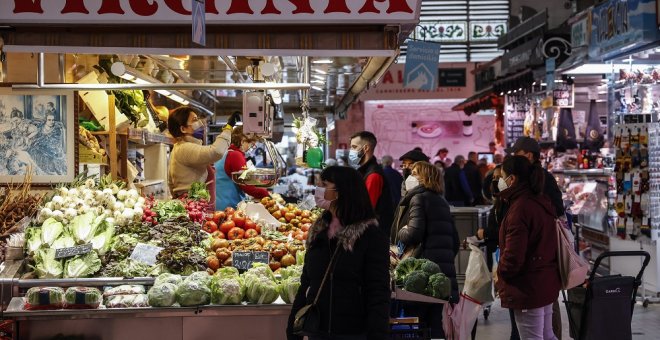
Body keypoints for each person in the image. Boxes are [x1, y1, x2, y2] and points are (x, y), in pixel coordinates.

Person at [286, 166, 390, 340]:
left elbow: (378, 291)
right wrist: (293, 326)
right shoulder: (318, 232)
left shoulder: (370, 236)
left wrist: (377, 334)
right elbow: (306, 282)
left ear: (341, 192)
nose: (318, 189)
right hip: (317, 329)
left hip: (353, 332)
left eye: (324, 184)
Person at [505, 137, 565, 339]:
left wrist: (503, 273)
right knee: (545, 332)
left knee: (536, 333)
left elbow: (515, 251)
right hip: (542, 270)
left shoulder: (525, 203)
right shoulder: (531, 199)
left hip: (530, 276)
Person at [395, 161, 459, 339]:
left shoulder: (418, 198)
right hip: (441, 273)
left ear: (426, 178)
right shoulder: (441, 201)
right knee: (435, 322)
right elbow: (455, 240)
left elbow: (414, 234)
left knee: (418, 322)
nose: (410, 177)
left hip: (421, 273)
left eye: (415, 173)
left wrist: (402, 231)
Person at [478, 165, 521, 340]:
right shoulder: (501, 202)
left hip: (512, 266)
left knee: (522, 324)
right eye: (494, 178)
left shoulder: (512, 205)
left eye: (500, 177)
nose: (496, 181)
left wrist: (485, 233)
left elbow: (505, 233)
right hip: (505, 260)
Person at [168, 106, 233, 197]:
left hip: (192, 203)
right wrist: (228, 129)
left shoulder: (179, 147)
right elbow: (216, 151)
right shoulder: (185, 148)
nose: (200, 123)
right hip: (192, 204)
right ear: (183, 129)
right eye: (194, 120)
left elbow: (171, 182)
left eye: (198, 119)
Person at [215, 126, 270, 211]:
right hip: (229, 207)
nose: (251, 148)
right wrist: (266, 194)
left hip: (220, 204)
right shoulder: (236, 155)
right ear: (243, 141)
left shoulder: (226, 153)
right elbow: (246, 185)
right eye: (251, 144)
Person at [349, 131, 394, 234]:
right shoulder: (364, 171)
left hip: (373, 234)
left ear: (366, 148)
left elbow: (366, 209)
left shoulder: (373, 175)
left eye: (354, 147)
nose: (351, 151)